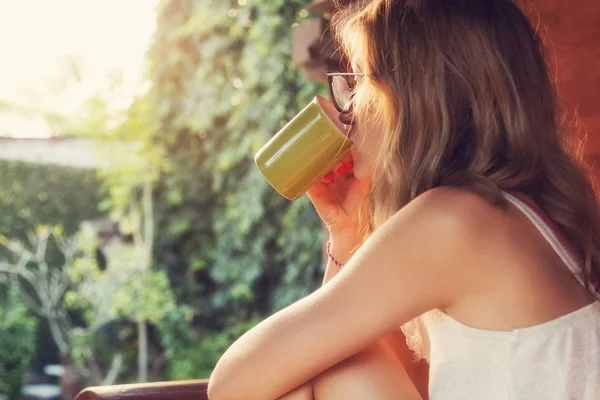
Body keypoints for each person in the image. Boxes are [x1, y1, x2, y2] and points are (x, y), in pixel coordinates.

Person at [208, 0, 600, 398]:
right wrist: (347, 233)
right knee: (326, 358)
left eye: (357, 82)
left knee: (319, 366)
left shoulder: (455, 221)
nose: (348, 110)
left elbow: (232, 383)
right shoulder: (526, 215)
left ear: (412, 97)